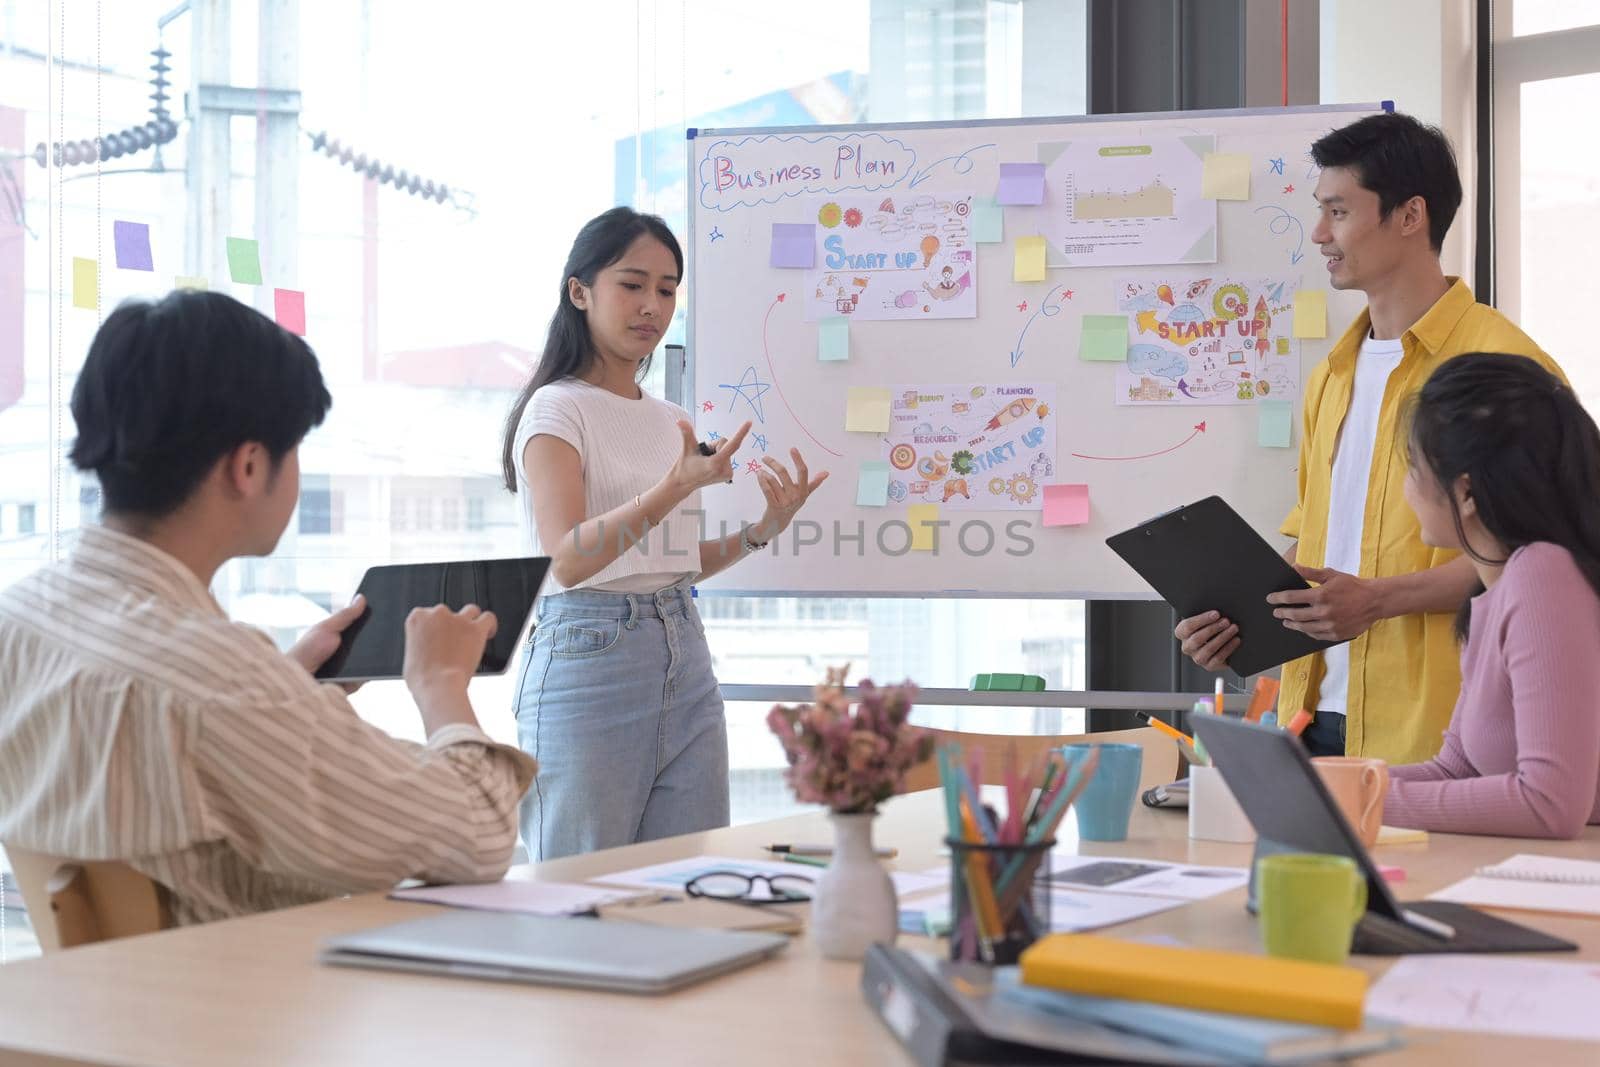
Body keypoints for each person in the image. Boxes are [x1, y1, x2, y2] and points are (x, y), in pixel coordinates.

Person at [0, 291, 536, 926]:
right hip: (239, 1015)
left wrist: (287, 687)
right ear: (249, 466)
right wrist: (442, 685)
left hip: (92, 1013)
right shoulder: (219, 681)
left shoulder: (22, 620)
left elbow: (180, 745)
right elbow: (477, 837)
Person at [1173, 112, 1564, 763]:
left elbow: (1548, 559)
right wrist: (1243, 619)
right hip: (1308, 720)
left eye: (1338, 211)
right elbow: (1312, 543)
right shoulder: (1333, 373)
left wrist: (1378, 601)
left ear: (1410, 216)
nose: (1320, 233)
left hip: (1441, 734)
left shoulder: (1505, 368)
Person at [502, 207, 826, 861]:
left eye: (668, 288)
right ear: (579, 291)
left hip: (682, 645)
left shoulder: (672, 418)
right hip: (588, 652)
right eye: (633, 283)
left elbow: (672, 560)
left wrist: (763, 529)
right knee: (580, 887)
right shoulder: (555, 408)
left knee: (688, 878)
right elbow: (566, 559)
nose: (652, 305)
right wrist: (675, 486)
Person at [1384, 354, 1600, 838]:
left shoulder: (1543, 574)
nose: (1407, 489)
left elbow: (1550, 803)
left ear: (1465, 494)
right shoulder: (1499, 586)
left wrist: (1361, 797)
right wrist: (1329, 781)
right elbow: (1456, 768)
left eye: (1414, 468)